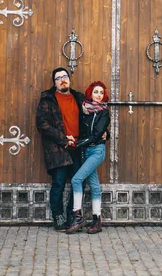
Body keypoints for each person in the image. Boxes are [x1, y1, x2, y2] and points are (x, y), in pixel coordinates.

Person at [36, 67, 84, 232]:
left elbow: (93, 117)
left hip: (78, 147)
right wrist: (63, 139)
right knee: (59, 184)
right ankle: (58, 216)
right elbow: (42, 124)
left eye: (65, 76)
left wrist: (103, 133)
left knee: (79, 182)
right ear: (54, 82)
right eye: (58, 78)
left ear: (69, 79)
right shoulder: (48, 99)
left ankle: (72, 215)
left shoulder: (79, 98)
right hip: (58, 148)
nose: (62, 79)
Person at [66, 81, 110, 234]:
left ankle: (77, 217)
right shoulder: (84, 110)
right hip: (87, 152)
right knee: (95, 186)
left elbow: (97, 133)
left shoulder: (104, 112)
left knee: (76, 180)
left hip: (97, 151)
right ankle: (97, 221)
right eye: (96, 92)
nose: (99, 95)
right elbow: (84, 131)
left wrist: (78, 143)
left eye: (101, 93)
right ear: (90, 93)